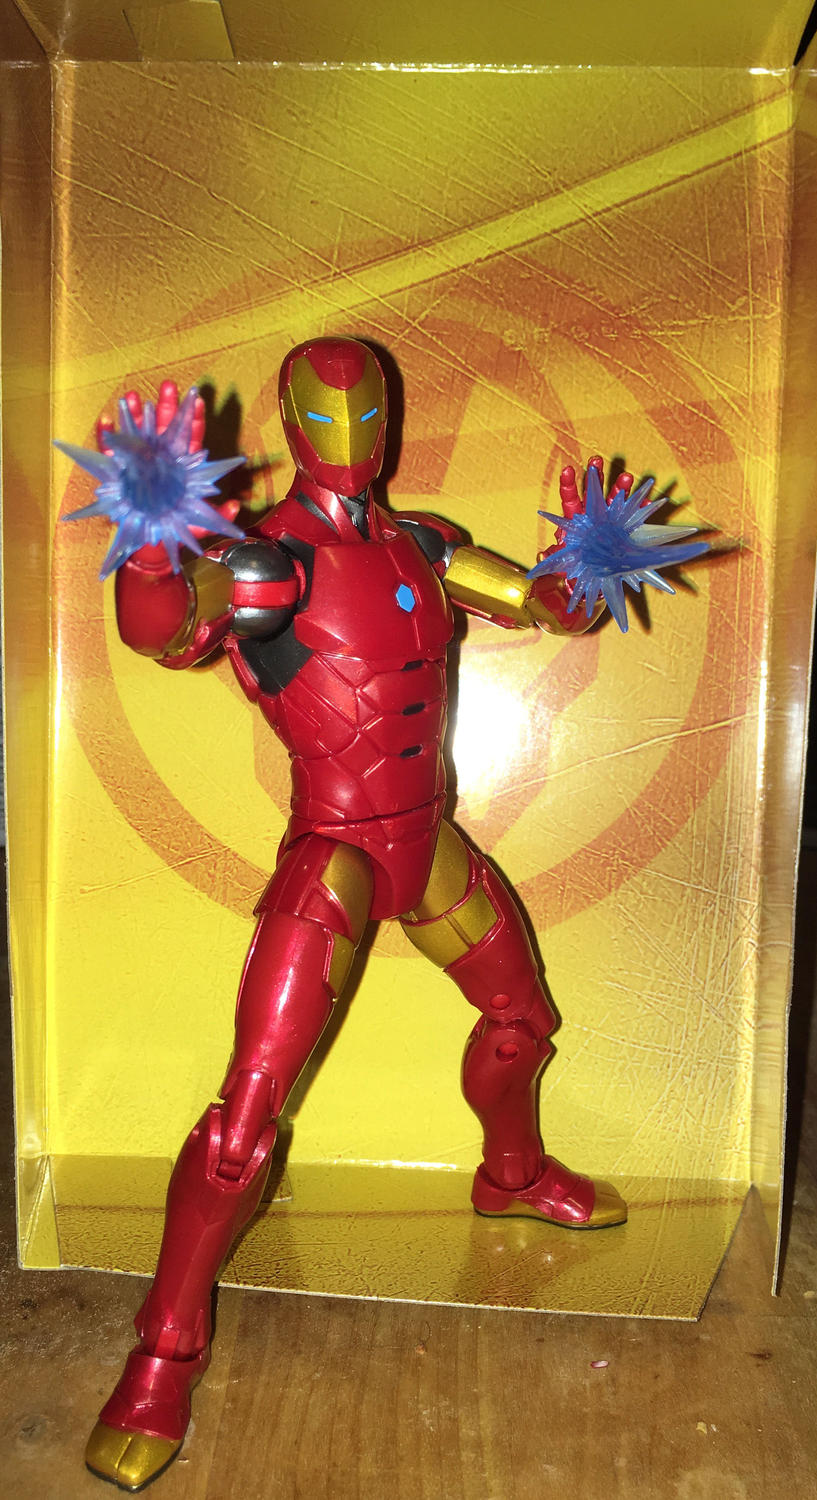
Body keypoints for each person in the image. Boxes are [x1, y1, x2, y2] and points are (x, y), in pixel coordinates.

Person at [64, 336, 703, 1492]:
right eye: (331, 416)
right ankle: (161, 1356)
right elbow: (163, 627)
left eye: (370, 415)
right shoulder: (268, 562)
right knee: (243, 1121)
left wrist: (588, 561)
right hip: (337, 855)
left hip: (429, 841)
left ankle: (510, 1172)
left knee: (521, 1022)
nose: (355, 438)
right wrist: (150, 539)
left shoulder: (425, 543)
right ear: (297, 422)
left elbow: (540, 603)